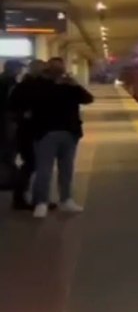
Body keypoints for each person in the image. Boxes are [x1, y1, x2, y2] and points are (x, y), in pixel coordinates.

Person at [26, 58, 93, 217]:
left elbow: (88, 99)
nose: (59, 72)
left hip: (69, 133)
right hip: (45, 133)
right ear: (48, 70)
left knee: (66, 169)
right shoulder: (38, 86)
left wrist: (74, 85)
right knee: (44, 170)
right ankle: (42, 202)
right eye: (56, 69)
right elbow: (25, 102)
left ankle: (65, 200)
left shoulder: (69, 86)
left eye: (60, 69)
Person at [7, 59, 44, 210]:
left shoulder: (24, 85)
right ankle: (20, 197)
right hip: (27, 131)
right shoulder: (22, 87)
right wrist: (23, 115)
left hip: (32, 130)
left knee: (33, 164)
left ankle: (29, 197)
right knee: (30, 164)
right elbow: (11, 109)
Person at [0, 59, 21, 191]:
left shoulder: (5, 80)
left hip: (5, 122)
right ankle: (5, 180)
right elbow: (11, 104)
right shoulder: (9, 83)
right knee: (7, 153)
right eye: (19, 68)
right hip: (7, 123)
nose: (20, 71)